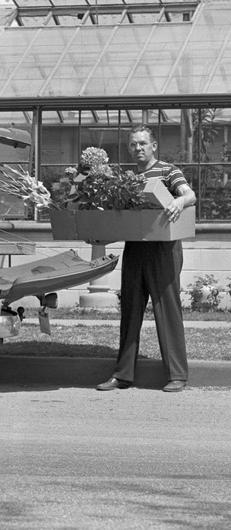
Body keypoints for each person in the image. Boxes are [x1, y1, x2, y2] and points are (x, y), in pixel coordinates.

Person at [97, 124, 197, 393]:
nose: (138, 148)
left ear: (153, 146)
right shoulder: (127, 178)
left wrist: (179, 202)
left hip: (164, 250)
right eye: (133, 144)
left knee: (168, 311)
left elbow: (190, 194)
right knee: (130, 311)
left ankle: (177, 375)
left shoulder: (168, 170)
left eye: (143, 143)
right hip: (135, 248)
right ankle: (122, 374)